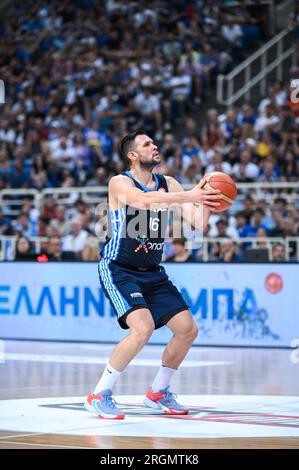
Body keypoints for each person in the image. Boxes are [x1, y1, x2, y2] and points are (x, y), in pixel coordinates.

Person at [84, 130, 222, 419]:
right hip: (119, 268)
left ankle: (158, 392)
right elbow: (144, 201)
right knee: (143, 328)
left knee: (187, 330)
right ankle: (98, 394)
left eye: (154, 142)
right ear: (133, 155)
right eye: (147, 144)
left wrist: (211, 201)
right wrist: (190, 194)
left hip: (153, 271)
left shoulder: (168, 182)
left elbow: (197, 222)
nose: (154, 146)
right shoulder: (119, 182)